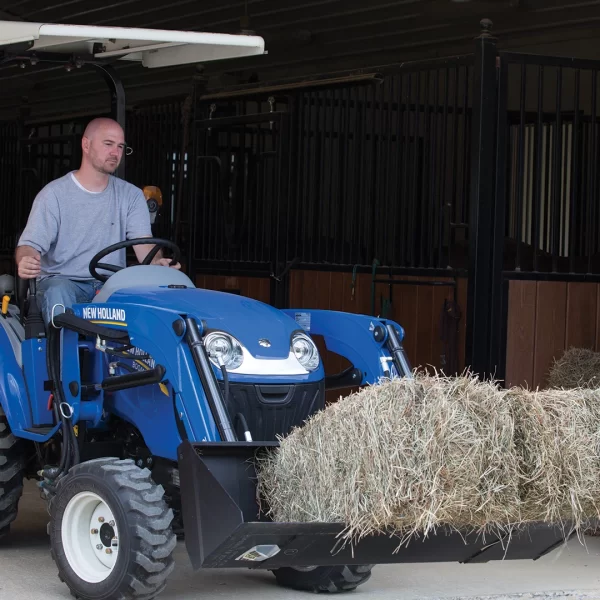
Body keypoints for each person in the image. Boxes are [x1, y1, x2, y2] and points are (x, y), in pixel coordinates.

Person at [15, 117, 181, 324]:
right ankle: (62, 356)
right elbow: (28, 246)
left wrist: (157, 263)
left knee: (145, 298)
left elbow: (144, 244)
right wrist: (26, 260)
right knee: (58, 292)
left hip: (111, 284)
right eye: (108, 144)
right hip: (64, 284)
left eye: (120, 146)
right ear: (86, 144)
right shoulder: (54, 194)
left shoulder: (131, 195)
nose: (115, 152)